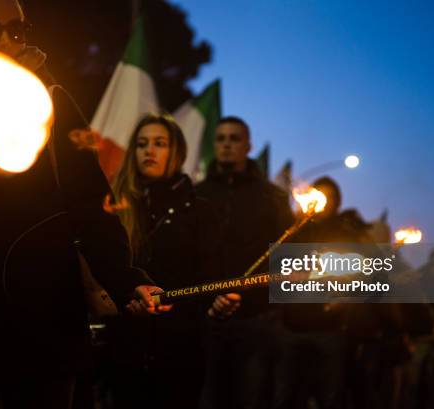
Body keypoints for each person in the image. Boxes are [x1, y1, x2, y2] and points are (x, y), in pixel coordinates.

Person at [0, 1, 162, 407]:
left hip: (40, 343)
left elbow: (91, 205)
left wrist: (125, 277)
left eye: (19, 31)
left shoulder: (50, 104)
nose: (9, 40)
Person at [95, 113, 240, 409]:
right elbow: (102, 267)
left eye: (159, 143)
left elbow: (211, 277)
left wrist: (217, 305)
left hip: (180, 351)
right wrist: (124, 298)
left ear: (177, 152)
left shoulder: (199, 211)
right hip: (124, 348)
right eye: (142, 144)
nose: (149, 150)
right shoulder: (114, 204)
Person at [195, 116, 295, 409]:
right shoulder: (197, 194)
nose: (227, 145)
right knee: (207, 398)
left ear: (248, 145)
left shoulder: (271, 197)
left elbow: (287, 255)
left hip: (256, 320)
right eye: (221, 138)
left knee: (251, 397)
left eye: (234, 138)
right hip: (206, 319)